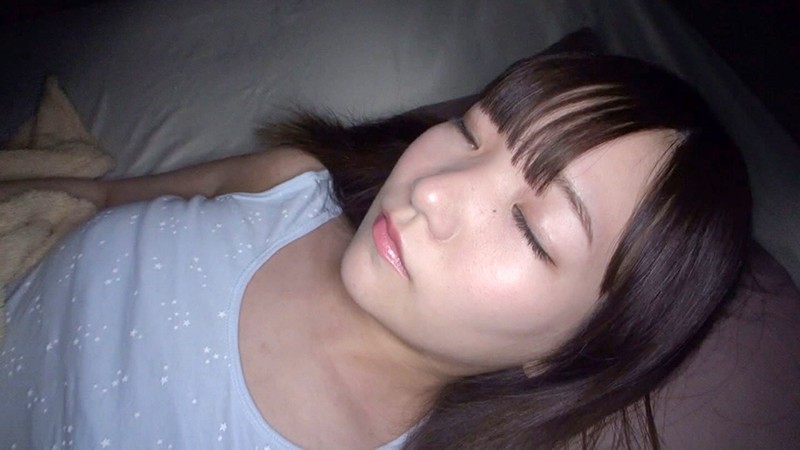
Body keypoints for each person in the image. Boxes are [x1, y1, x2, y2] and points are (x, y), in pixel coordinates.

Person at [0, 53, 751, 449]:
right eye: (471, 132)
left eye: (530, 227)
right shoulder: (291, 186)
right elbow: (100, 197)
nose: (434, 190)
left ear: (574, 351)